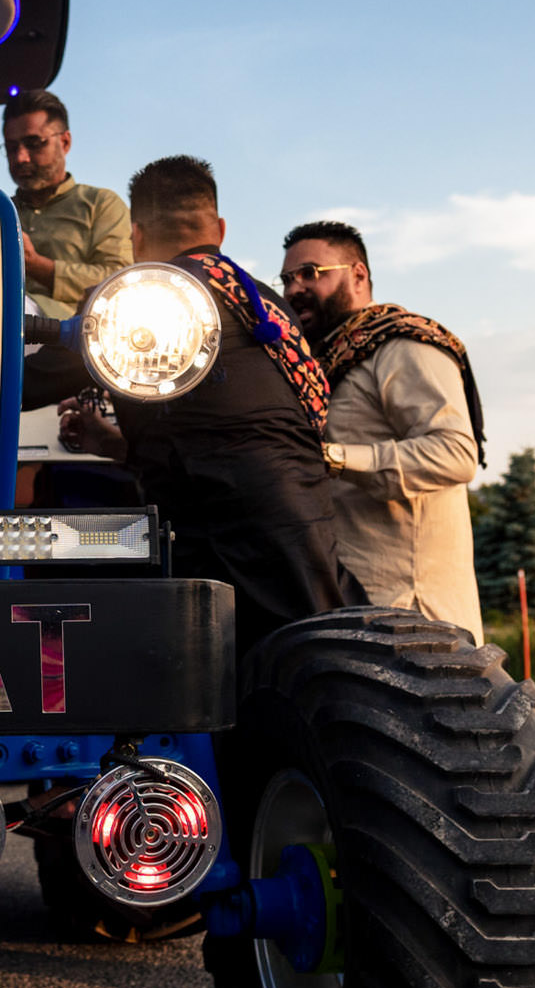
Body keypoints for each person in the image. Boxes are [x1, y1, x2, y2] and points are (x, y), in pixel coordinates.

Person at [58, 157, 358, 652]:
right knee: (319, 677)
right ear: (219, 228)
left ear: (136, 235)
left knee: (221, 690)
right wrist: (114, 443)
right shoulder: (266, 305)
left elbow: (25, 379)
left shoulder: (139, 304)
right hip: (305, 532)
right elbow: (225, 428)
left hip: (216, 543)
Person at [279, 220, 485, 641]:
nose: (293, 289)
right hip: (352, 608)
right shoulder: (320, 364)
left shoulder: (404, 344)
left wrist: (336, 458)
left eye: (310, 273)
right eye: (286, 278)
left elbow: (455, 454)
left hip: (417, 617)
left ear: (358, 274)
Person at [2, 89, 132, 319]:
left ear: (65, 142)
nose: (21, 158)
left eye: (34, 143)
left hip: (74, 344)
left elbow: (119, 281)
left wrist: (38, 266)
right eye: (12, 148)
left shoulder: (101, 205)